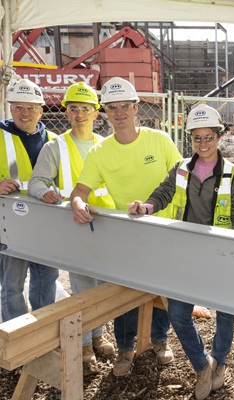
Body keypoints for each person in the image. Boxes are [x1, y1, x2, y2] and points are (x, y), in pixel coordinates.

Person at [129, 103, 234, 399]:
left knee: (226, 314)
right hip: (184, 253)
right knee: (179, 312)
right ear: (190, 140)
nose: (203, 143)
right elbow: (164, 192)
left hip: (220, 255)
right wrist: (146, 206)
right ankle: (202, 365)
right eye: (197, 137)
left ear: (219, 137)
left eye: (209, 137)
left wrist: (232, 258)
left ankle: (219, 363)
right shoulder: (181, 168)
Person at [70, 77, 182, 376]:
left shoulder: (160, 140)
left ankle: (159, 340)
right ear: (104, 111)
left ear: (136, 108)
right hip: (126, 234)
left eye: (125, 106)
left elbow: (184, 177)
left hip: (162, 230)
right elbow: (80, 191)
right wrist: (78, 204)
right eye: (112, 107)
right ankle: (125, 348)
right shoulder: (100, 152)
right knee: (124, 292)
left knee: (160, 289)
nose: (119, 112)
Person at [28, 82, 115, 364]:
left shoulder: (107, 146)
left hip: (107, 224)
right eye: (73, 108)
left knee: (103, 286)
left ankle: (98, 334)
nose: (79, 114)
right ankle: (85, 343)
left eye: (85, 109)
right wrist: (45, 192)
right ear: (67, 113)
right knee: (82, 288)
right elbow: (37, 182)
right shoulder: (56, 147)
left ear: (96, 113)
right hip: (75, 224)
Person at [0, 79, 60, 322]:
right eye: (18, 107)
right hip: (11, 223)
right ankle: (18, 339)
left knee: (46, 280)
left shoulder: (56, 140)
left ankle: (43, 332)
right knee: (12, 286)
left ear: (41, 110)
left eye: (31, 107)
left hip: (47, 223)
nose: (24, 113)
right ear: (10, 108)